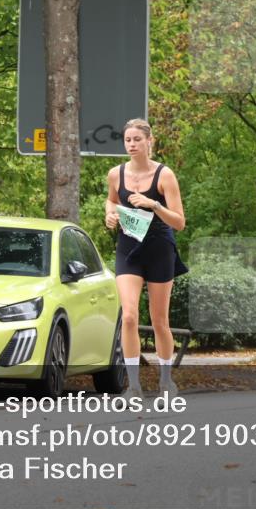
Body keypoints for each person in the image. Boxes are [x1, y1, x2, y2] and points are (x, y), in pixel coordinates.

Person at [105, 119, 188, 397]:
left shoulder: (164, 176)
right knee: (128, 316)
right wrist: (110, 214)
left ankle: (166, 381)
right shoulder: (115, 174)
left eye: (137, 139)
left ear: (149, 141)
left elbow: (179, 222)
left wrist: (153, 204)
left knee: (159, 321)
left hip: (159, 249)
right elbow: (111, 199)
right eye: (127, 140)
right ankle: (134, 386)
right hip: (129, 248)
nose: (131, 144)